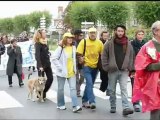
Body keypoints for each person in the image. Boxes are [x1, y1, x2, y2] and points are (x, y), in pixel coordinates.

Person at [101, 25, 134, 115]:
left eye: (122, 31)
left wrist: (130, 68)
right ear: (115, 31)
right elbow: (104, 55)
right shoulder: (109, 43)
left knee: (124, 89)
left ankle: (126, 108)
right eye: (118, 31)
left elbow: (131, 56)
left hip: (124, 70)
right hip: (112, 70)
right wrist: (106, 67)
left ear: (124, 32)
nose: (120, 33)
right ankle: (113, 106)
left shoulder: (128, 43)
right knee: (112, 90)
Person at [132, 21, 160, 120]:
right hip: (155, 83)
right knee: (156, 109)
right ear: (156, 31)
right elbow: (142, 66)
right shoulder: (147, 47)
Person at [52, 32, 82, 113]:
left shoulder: (73, 47)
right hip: (62, 72)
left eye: (71, 38)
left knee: (73, 89)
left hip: (72, 72)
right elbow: (54, 58)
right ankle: (60, 104)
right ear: (65, 39)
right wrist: (60, 68)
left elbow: (74, 60)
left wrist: (75, 69)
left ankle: (75, 106)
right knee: (61, 89)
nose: (70, 39)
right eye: (68, 38)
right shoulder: (60, 48)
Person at [77, 27, 104, 110]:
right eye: (91, 33)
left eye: (94, 33)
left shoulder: (99, 43)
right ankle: (92, 102)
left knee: (89, 84)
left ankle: (84, 101)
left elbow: (102, 55)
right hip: (86, 66)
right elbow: (78, 53)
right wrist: (80, 58)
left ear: (96, 33)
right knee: (89, 83)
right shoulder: (83, 41)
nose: (92, 34)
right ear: (88, 34)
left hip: (95, 67)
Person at [34, 28, 53, 100]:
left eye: (45, 33)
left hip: (47, 64)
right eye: (44, 33)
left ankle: (44, 91)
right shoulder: (38, 44)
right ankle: (39, 93)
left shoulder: (45, 42)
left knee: (50, 78)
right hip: (41, 65)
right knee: (40, 81)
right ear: (40, 34)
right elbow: (37, 55)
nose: (45, 34)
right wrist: (40, 66)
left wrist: (48, 53)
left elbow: (46, 52)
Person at [130, 29, 146, 112]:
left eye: (142, 34)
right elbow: (129, 57)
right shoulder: (131, 44)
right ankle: (136, 103)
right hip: (134, 69)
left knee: (143, 86)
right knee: (135, 86)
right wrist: (131, 69)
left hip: (144, 69)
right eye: (139, 34)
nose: (140, 36)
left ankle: (142, 101)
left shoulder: (145, 44)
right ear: (136, 35)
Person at [73, 30, 85, 97]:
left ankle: (78, 86)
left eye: (82, 35)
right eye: (80, 35)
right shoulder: (73, 42)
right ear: (76, 36)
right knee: (76, 78)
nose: (81, 37)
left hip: (82, 62)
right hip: (75, 62)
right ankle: (78, 92)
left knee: (83, 77)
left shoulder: (83, 42)